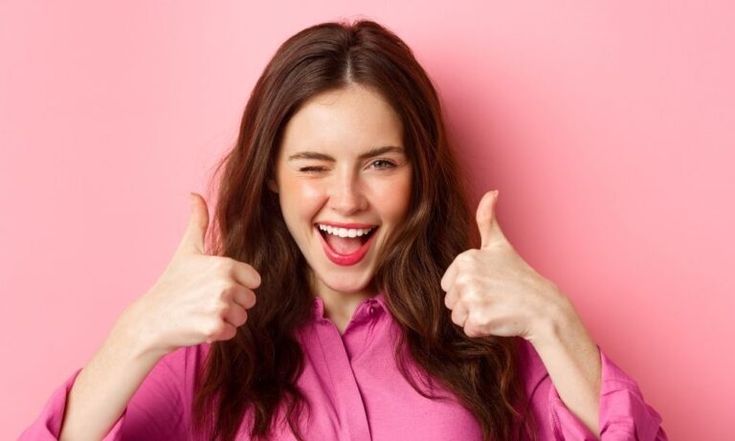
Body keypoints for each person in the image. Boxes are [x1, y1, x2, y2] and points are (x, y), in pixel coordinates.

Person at [20, 19, 668, 441]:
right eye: (313, 166)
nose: (347, 198)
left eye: (380, 163)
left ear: (418, 174)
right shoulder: (205, 349)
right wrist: (135, 334)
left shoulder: (485, 332)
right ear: (270, 175)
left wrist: (554, 320)